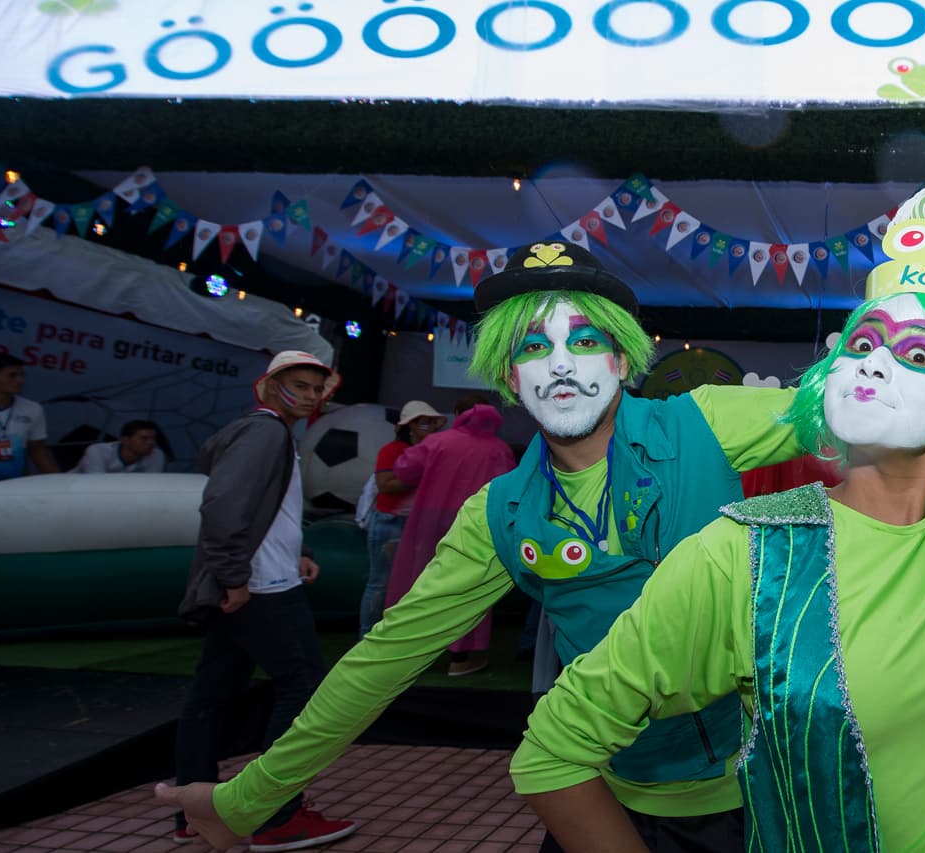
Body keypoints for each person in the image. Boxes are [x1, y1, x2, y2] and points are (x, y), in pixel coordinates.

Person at [509, 187, 925, 852]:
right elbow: (550, 754)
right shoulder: (743, 556)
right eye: (862, 344)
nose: (874, 364)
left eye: (919, 353)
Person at [154, 241, 803, 852]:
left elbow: (863, 401)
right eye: (531, 346)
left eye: (584, 339)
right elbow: (382, 659)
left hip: (752, 796)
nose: (560, 363)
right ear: (507, 375)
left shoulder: (702, 422)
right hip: (601, 793)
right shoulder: (500, 514)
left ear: (623, 359)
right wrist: (247, 797)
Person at [171, 350, 357, 851]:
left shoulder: (269, 432)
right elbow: (224, 505)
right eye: (300, 384)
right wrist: (234, 575)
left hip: (261, 578)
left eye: (319, 388)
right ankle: (277, 815)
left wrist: (299, 550)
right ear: (272, 386)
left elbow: (266, 510)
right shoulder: (265, 432)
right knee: (302, 688)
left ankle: (193, 808)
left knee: (210, 697)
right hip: (261, 589)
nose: (312, 395)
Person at [384, 393, 516, 676]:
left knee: (418, 583)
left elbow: (403, 470)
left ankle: (405, 654)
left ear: (458, 413)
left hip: (429, 523)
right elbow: (511, 493)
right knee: (469, 589)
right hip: (476, 528)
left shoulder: (437, 442)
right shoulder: (499, 449)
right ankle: (461, 658)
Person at [359, 400, 446, 638]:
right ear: (408, 426)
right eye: (420, 421)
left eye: (429, 421)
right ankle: (367, 636)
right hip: (390, 523)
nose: (426, 426)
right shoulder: (392, 451)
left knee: (412, 584)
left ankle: (398, 636)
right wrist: (423, 476)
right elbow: (385, 485)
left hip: (419, 524)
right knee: (380, 583)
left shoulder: (436, 449)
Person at [0, 352, 59, 480]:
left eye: (22, 375)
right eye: (12, 376)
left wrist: (58, 480)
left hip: (15, 486)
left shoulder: (32, 409)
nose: (20, 381)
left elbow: (37, 448)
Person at [73, 419, 165, 473]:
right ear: (125, 440)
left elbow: (149, 488)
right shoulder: (98, 451)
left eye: (153, 438)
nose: (151, 442)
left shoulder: (156, 455)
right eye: (144, 438)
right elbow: (96, 487)